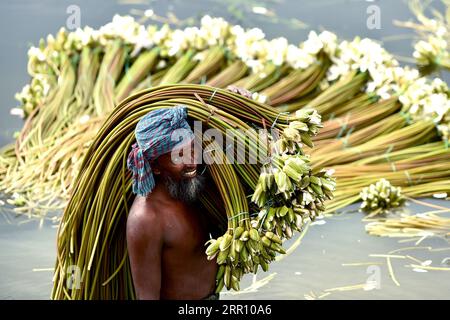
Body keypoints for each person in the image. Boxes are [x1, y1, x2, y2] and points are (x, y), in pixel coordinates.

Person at [126, 106, 219, 300]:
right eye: (180, 156)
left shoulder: (190, 189)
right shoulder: (146, 219)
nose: (193, 162)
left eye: (193, 149)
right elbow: (147, 297)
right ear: (156, 167)